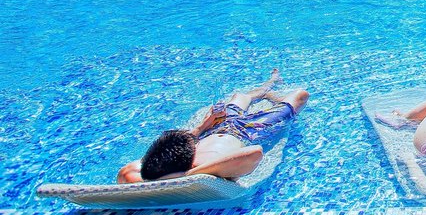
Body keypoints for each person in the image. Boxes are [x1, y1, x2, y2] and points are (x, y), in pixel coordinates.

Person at [116, 70, 309, 183]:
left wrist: (203, 126)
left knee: (241, 96)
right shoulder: (204, 167)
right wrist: (187, 175)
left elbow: (126, 172)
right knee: (301, 95)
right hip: (249, 131)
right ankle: (271, 90)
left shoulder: (160, 165)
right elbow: (254, 153)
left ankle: (269, 86)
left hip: (218, 127)